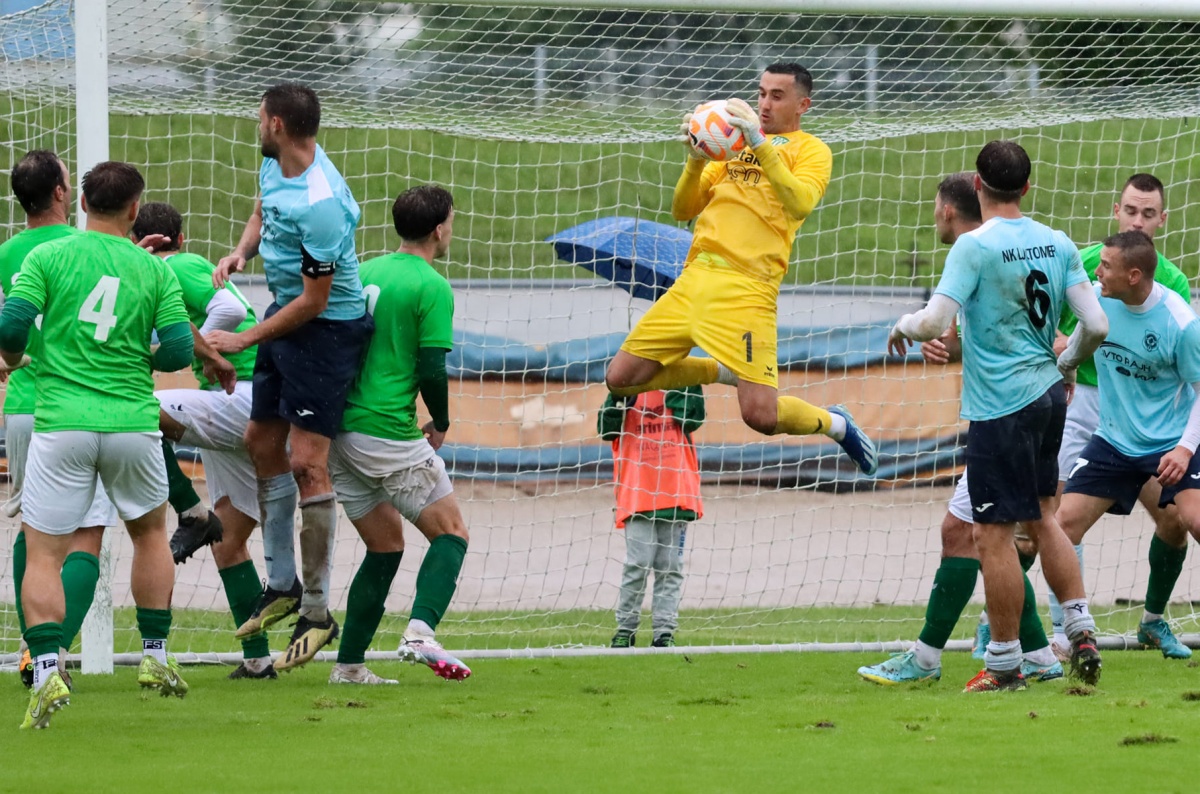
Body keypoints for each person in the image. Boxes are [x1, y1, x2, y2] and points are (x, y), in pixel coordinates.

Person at [887, 140, 1108, 691]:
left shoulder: (975, 246)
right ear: (1027, 187)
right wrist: (1068, 361)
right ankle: (1078, 624)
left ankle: (1005, 664)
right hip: (1049, 398)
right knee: (1044, 517)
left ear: (979, 187)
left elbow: (936, 321)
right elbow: (1097, 325)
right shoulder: (1056, 242)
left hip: (1001, 407)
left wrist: (900, 324)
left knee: (991, 535)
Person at [603, 63, 877, 477]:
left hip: (748, 290)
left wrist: (760, 144)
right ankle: (719, 370)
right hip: (695, 279)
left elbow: (799, 202)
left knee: (761, 417)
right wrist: (695, 160)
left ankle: (835, 424)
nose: (764, 104)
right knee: (620, 379)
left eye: (777, 96)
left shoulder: (811, 150)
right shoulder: (730, 146)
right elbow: (682, 209)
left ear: (803, 104)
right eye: (762, 93)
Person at [0, 161, 194, 729]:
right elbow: (180, 349)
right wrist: (143, 359)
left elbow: (11, 328)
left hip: (62, 422)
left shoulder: (46, 255)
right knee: (151, 533)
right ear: (136, 210)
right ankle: (155, 657)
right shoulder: (153, 269)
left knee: (44, 552)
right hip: (133, 422)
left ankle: (46, 668)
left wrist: (14, 360)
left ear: (81, 202)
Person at [857, 173, 1060, 685]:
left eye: (934, 206)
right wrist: (954, 346)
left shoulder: (975, 250)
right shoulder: (1021, 248)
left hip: (1008, 417)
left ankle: (948, 659)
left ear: (949, 210)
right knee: (974, 535)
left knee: (989, 536)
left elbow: (1049, 339)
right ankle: (1039, 657)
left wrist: (911, 326)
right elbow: (1021, 334)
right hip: (1031, 409)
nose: (933, 215)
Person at [207, 82, 372, 670]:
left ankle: (319, 610)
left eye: (259, 117)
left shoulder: (323, 202)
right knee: (259, 443)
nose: (256, 125)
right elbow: (259, 213)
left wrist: (247, 336)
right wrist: (241, 253)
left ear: (276, 123)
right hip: (286, 314)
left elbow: (318, 302)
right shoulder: (274, 165)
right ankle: (282, 584)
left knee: (306, 461)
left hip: (326, 330)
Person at [325, 184, 471, 684]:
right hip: (386, 430)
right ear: (438, 229)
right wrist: (442, 421)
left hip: (340, 435)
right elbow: (431, 365)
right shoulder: (431, 285)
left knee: (386, 546)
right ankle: (420, 632)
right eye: (451, 220)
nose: (452, 228)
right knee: (451, 534)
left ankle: (348, 667)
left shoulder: (365, 271)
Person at [1043, 174, 1192, 660]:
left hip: (1161, 433)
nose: (1138, 221)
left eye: (1148, 214)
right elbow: (1065, 327)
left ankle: (1151, 620)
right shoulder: (1092, 273)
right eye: (1131, 210)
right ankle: (1060, 631)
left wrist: (1185, 445)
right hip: (1093, 417)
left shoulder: (1175, 300)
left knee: (1179, 522)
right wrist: (1061, 362)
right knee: (1056, 520)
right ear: (1116, 210)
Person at [133, 201, 282, 680]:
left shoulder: (177, 266)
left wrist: (213, 347)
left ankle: (189, 511)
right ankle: (258, 660)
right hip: (241, 403)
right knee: (230, 539)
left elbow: (232, 306)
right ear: (181, 234)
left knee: (133, 414)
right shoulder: (162, 270)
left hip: (246, 392)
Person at [1, 150, 118, 691]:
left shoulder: (7, 253)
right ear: (60, 194)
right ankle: (43, 654)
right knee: (86, 538)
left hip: (22, 407)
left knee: (36, 531)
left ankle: (33, 641)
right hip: (77, 405)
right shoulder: (82, 248)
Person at [600, 386, 704, 649]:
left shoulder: (685, 382)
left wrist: (679, 388)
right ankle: (625, 629)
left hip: (676, 493)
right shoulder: (627, 384)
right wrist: (619, 399)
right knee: (637, 563)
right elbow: (606, 428)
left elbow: (693, 418)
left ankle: (664, 632)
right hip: (638, 495)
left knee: (670, 567)